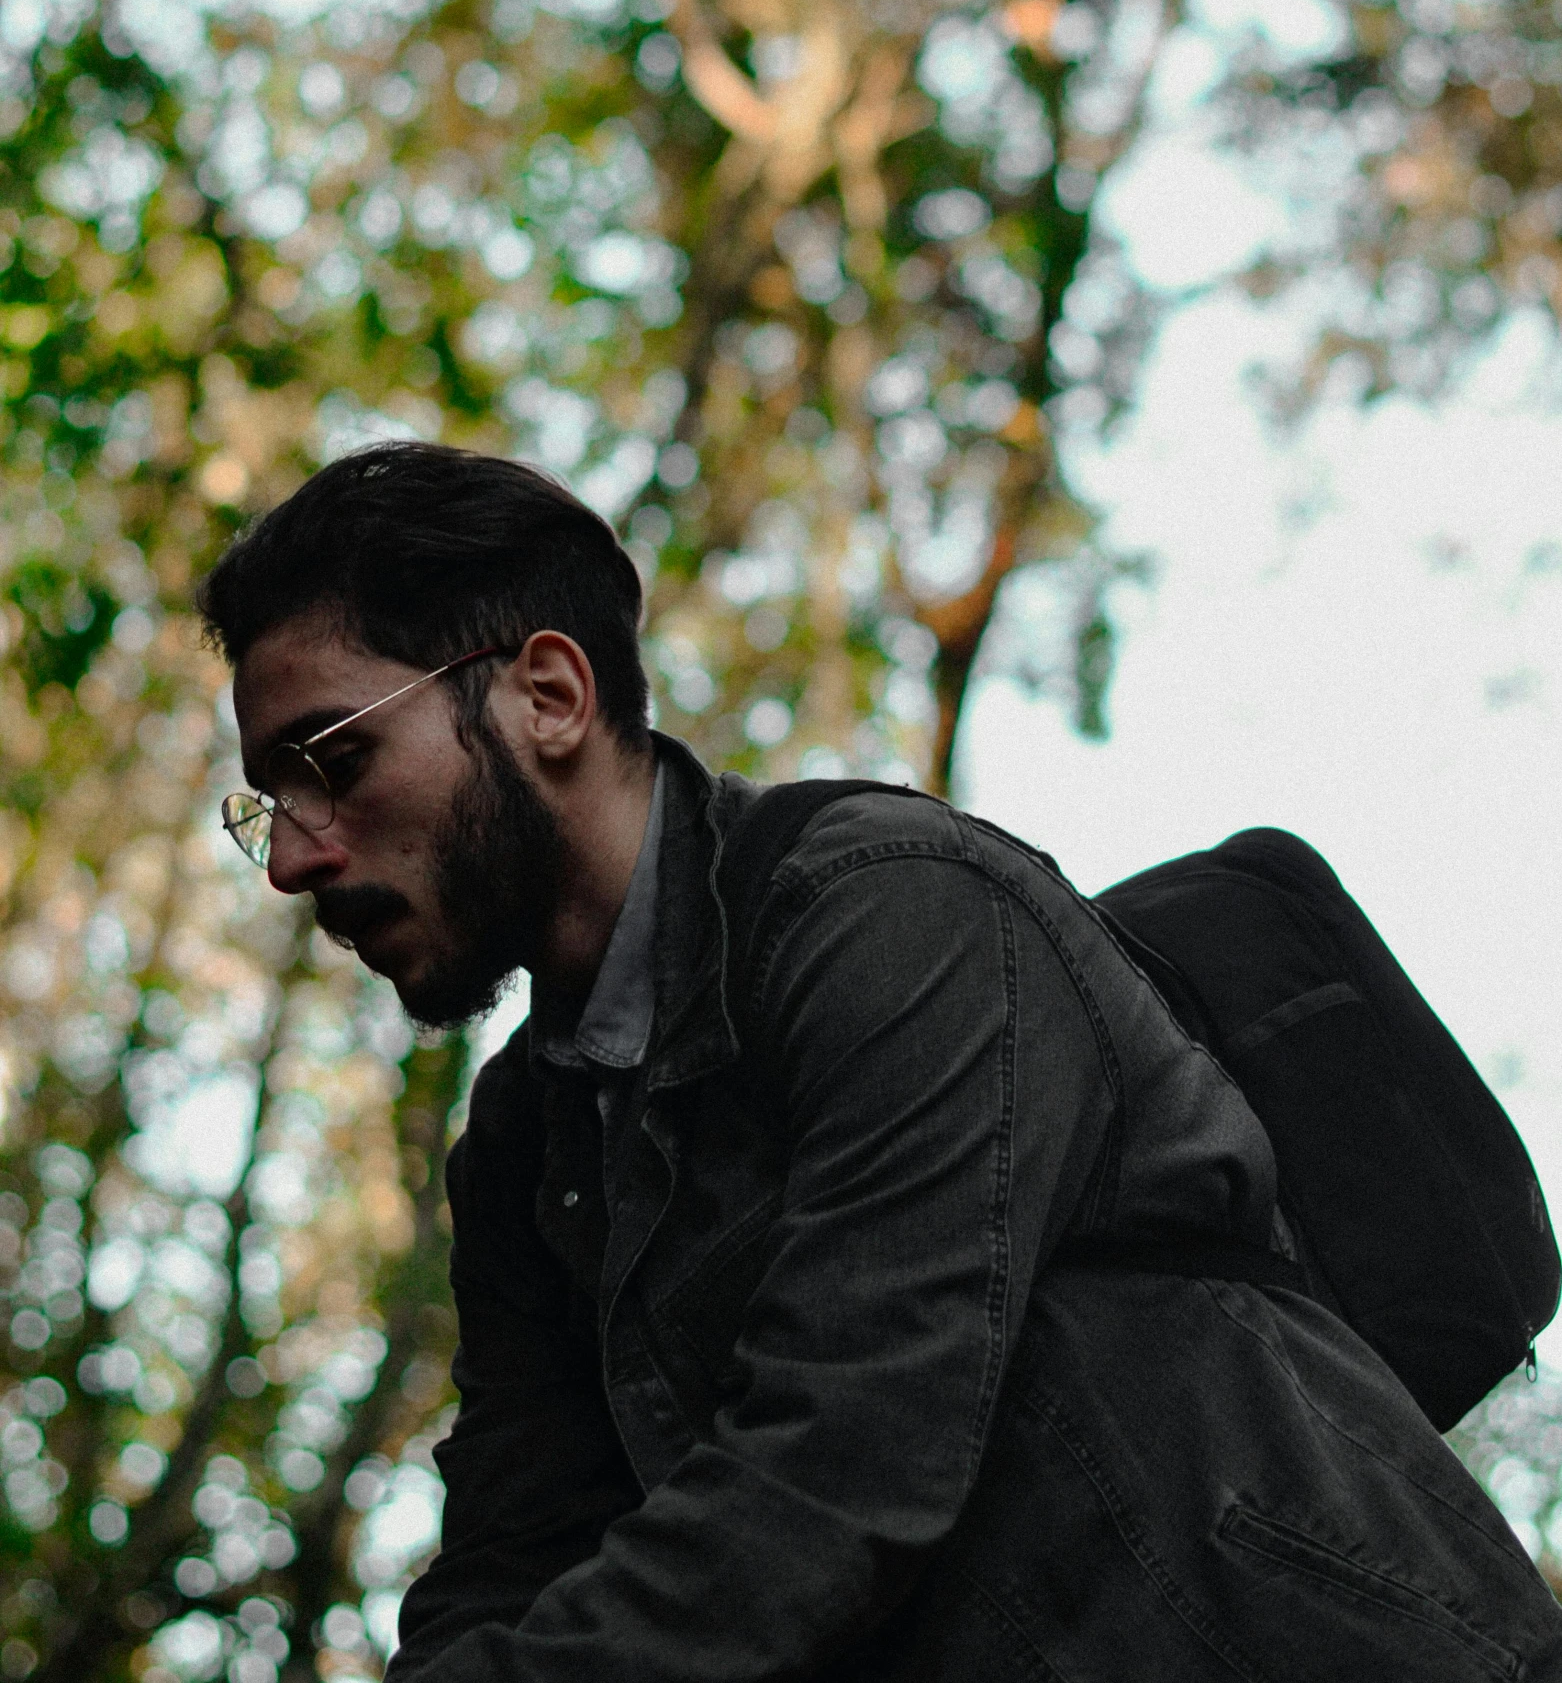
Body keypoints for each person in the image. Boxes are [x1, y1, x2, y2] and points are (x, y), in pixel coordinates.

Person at [201, 441, 1562, 1681]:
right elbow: (516, 1544)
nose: (297, 853)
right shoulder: (521, 1143)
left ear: (547, 696)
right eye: (269, 797)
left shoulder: (889, 910)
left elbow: (844, 1458)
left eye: (334, 756)